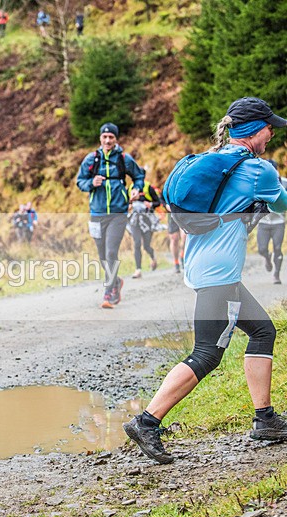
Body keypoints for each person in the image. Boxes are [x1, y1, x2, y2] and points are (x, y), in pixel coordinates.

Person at [124, 96, 287, 465]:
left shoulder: (218, 163)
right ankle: (146, 422)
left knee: (263, 332)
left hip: (206, 267)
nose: (272, 133)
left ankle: (265, 420)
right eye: (268, 127)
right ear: (252, 131)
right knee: (207, 353)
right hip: (219, 275)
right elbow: (282, 204)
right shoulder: (258, 171)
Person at [76, 122, 145, 309]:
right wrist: (91, 183)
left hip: (118, 212)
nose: (107, 140)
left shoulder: (124, 159)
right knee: (101, 255)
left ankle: (108, 291)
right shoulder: (91, 160)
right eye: (105, 137)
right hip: (97, 213)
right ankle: (116, 282)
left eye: (111, 137)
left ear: (116, 139)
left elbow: (139, 176)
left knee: (111, 252)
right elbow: (79, 181)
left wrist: (135, 189)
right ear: (100, 138)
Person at [256, 160, 286, 284]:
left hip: (279, 222)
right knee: (262, 249)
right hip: (263, 222)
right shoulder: (260, 182)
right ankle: (267, 258)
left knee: (278, 248)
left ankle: (276, 275)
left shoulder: (284, 182)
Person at [127, 181, 161, 278]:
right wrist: (129, 203)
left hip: (147, 220)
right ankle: (138, 270)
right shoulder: (130, 188)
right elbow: (124, 204)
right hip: (135, 221)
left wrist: (150, 205)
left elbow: (158, 202)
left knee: (146, 246)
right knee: (137, 243)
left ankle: (153, 257)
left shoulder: (148, 187)